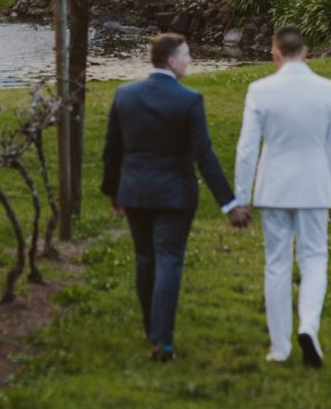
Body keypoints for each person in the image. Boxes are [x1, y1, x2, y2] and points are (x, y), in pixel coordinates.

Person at [102, 33, 250, 362]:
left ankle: (151, 329)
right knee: (169, 259)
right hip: (175, 195)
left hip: (136, 192)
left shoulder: (125, 95)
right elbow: (205, 156)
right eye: (186, 55)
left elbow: (112, 151)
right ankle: (163, 341)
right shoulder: (189, 100)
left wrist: (114, 191)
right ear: (171, 61)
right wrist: (229, 204)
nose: (190, 60)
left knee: (145, 259)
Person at [234, 25, 331, 368]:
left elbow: (246, 150)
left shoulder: (260, 90)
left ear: (275, 54)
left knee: (277, 264)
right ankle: (308, 326)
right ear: (306, 51)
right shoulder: (329, 90)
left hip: (274, 188)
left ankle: (280, 348)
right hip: (314, 188)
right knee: (314, 258)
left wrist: (242, 197)